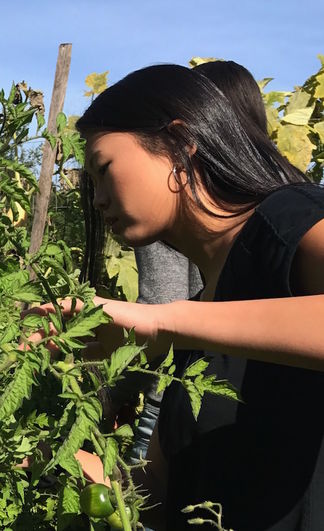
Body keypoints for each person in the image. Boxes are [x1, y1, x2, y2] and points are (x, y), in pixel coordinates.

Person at [26, 63, 324, 530]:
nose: (98, 198)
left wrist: (164, 322)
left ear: (181, 145)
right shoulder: (203, 312)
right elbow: (163, 495)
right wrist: (42, 460)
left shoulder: (285, 221)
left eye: (104, 170)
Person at [109, 61, 269, 466]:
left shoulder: (172, 204)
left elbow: (158, 307)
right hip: (257, 413)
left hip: (183, 404)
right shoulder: (263, 207)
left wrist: (106, 397)